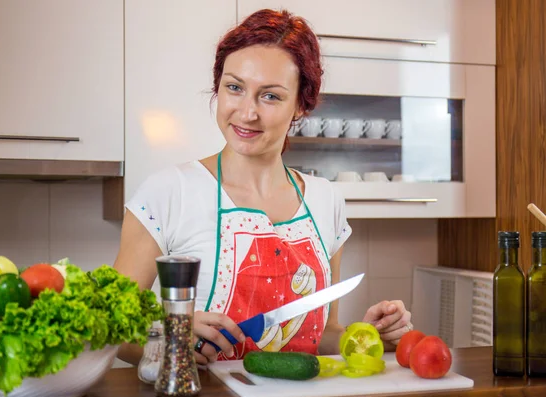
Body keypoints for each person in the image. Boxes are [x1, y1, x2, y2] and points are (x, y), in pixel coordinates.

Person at [114, 8, 412, 366]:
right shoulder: (168, 193)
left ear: (301, 105)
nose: (247, 112)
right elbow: (114, 333)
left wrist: (364, 337)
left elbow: (322, 333)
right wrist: (173, 333)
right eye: (235, 88)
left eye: (270, 96)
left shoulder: (325, 200)